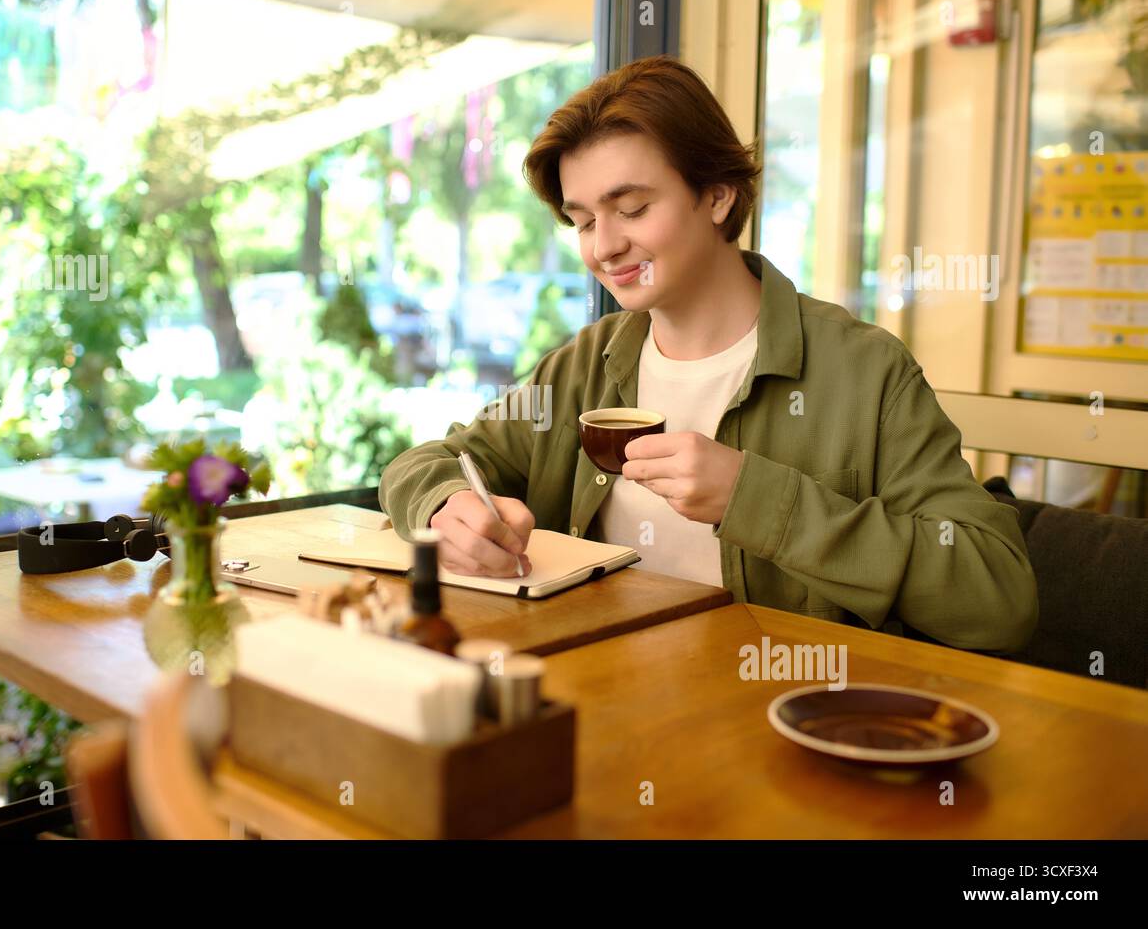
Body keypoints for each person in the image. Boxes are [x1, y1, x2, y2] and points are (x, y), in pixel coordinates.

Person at [378, 55, 1037, 653]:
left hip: (776, 727)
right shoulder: (586, 365)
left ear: (718, 196)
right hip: (601, 711)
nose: (603, 248)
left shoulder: (863, 373)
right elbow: (427, 463)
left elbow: (998, 596)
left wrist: (756, 499)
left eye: (631, 208)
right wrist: (445, 508)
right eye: (582, 222)